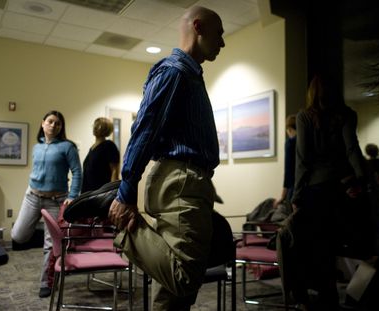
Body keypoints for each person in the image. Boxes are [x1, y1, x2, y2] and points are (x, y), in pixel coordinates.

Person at [108, 6, 225, 310]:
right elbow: (144, 131)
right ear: (198, 27)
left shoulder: (189, 74)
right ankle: (122, 229)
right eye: (219, 34)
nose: (222, 42)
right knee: (185, 276)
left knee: (175, 295)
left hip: (187, 181)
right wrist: (125, 192)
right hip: (180, 181)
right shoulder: (175, 71)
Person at [289, 74, 366, 310]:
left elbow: (303, 160)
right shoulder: (346, 115)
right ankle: (336, 295)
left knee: (318, 247)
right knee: (336, 245)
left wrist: (296, 195)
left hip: (315, 191)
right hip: (340, 189)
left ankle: (326, 297)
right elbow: (353, 149)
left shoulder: (304, 117)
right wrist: (361, 181)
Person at [11, 110, 82, 298]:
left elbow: (77, 171)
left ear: (61, 127)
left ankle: (46, 283)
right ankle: (45, 231)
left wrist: (73, 195)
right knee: (18, 236)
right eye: (50, 122)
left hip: (56, 200)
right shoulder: (37, 146)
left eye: (58, 123)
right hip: (32, 196)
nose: (53, 125)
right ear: (43, 124)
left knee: (51, 246)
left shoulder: (67, 147)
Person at [82, 117, 120, 193]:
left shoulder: (109, 145)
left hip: (101, 194)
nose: (95, 127)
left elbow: (114, 170)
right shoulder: (92, 148)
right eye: (95, 125)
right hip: (88, 193)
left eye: (99, 126)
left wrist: (111, 193)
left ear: (106, 129)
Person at [275, 114, 297, 206]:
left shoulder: (290, 143)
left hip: (294, 190)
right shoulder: (308, 141)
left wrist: (282, 196)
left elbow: (288, 171)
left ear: (289, 129)